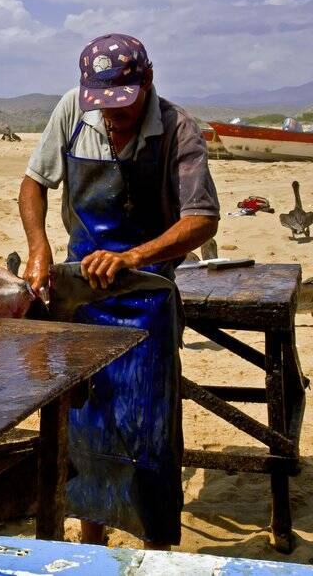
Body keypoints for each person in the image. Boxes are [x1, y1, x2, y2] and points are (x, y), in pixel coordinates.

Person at [18, 33, 219, 548]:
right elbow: (34, 183)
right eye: (102, 108)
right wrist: (39, 246)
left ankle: (154, 545)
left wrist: (132, 257)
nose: (112, 118)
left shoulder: (179, 129)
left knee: (148, 431)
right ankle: (92, 541)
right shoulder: (71, 109)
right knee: (86, 425)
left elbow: (201, 220)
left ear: (147, 82)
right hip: (80, 300)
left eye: (123, 108)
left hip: (147, 301)